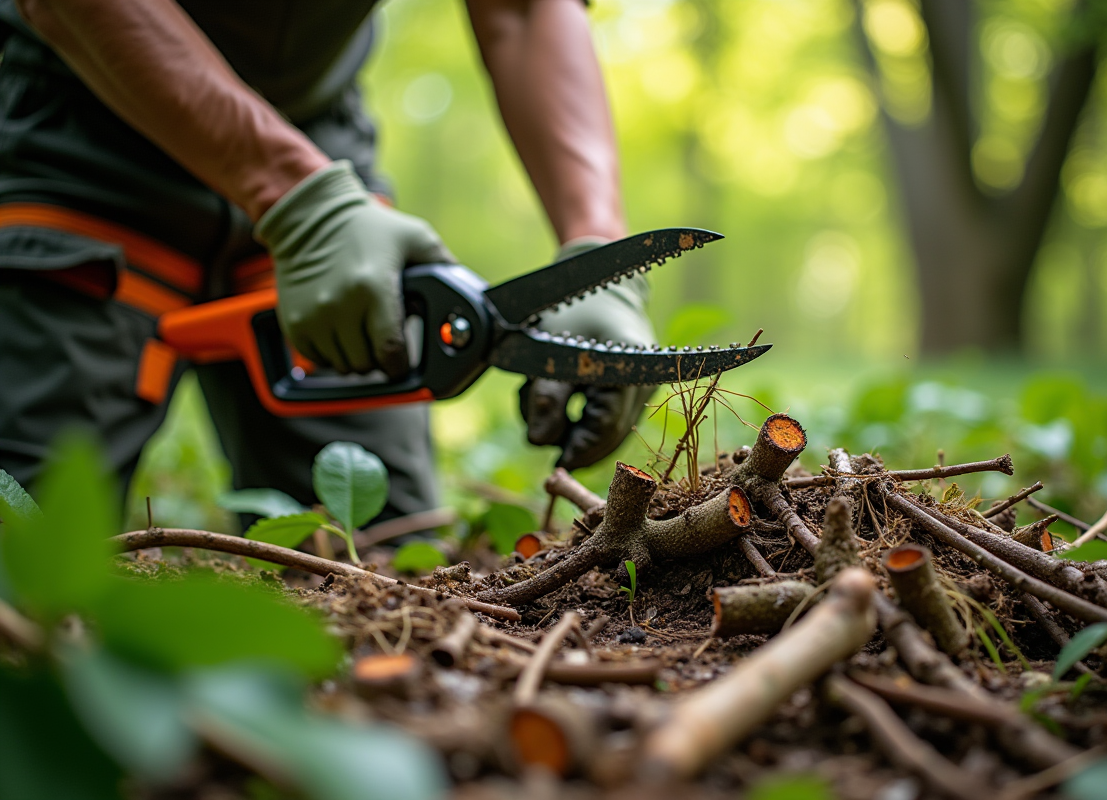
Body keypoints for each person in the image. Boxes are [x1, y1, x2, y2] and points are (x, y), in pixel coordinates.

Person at [0, 0, 656, 525]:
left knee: (381, 556)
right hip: (76, 131)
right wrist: (299, 201)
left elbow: (523, 9)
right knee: (26, 549)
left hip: (321, 143)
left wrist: (594, 243)